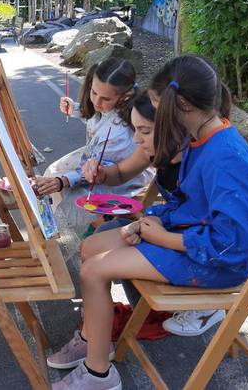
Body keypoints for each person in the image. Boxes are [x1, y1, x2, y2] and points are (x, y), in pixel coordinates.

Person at [48, 54, 248, 390]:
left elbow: (231, 244)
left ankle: (99, 375)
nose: (147, 131)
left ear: (180, 105)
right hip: (193, 237)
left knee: (93, 270)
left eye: (157, 111)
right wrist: (149, 221)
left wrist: (164, 238)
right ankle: (93, 336)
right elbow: (189, 205)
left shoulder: (225, 157)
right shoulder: (203, 138)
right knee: (92, 247)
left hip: (220, 262)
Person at [79, 92, 226, 337]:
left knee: (108, 251)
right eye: (135, 130)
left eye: (144, 131)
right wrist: (103, 174)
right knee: (105, 236)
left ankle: (143, 317)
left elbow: (223, 233)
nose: (136, 139)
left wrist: (157, 228)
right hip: (176, 229)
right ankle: (123, 317)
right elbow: (120, 173)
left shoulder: (202, 157)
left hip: (193, 243)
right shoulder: (157, 147)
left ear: (173, 126)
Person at [36, 57, 153, 236]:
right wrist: (75, 109)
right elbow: (97, 118)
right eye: (93, 93)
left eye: (105, 98)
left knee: (71, 199)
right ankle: (95, 225)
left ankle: (96, 226)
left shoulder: (120, 132)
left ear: (125, 97)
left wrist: (64, 181)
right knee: (55, 173)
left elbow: (107, 170)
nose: (97, 102)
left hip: (122, 178)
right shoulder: (110, 110)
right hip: (100, 166)